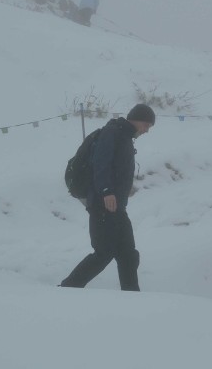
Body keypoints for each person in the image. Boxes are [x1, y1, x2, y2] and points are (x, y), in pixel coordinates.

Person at [59, 104, 156, 291]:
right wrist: (105, 191)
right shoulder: (112, 133)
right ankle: (68, 288)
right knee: (103, 253)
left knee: (128, 254)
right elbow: (100, 163)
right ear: (136, 119)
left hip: (116, 206)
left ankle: (132, 295)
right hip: (101, 203)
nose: (146, 131)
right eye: (146, 125)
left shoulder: (125, 137)